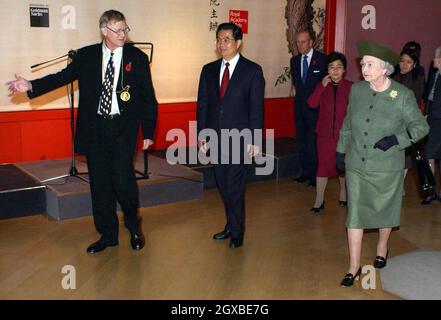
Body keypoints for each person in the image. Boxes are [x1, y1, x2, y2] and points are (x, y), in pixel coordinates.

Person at [7, 10, 158, 254]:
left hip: (123, 129)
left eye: (125, 29)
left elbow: (148, 98)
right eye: (118, 30)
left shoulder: (137, 57)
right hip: (95, 129)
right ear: (104, 31)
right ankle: (107, 235)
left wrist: (149, 131)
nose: (123, 34)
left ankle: (133, 225)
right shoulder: (87, 56)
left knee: (123, 180)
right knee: (99, 185)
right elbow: (62, 77)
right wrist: (31, 85)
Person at [336, 40, 429, 287]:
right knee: (354, 214)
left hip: (387, 167)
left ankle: (382, 246)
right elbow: (347, 124)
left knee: (384, 210)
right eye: (363, 63)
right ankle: (353, 266)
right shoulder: (357, 90)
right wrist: (341, 151)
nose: (364, 69)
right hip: (356, 164)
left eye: (369, 64)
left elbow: (421, 127)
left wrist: (397, 140)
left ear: (385, 68)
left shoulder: (402, 95)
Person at [196, 23, 264, 249]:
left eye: (226, 39)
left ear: (238, 42)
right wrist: (202, 134)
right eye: (219, 39)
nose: (221, 44)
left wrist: (255, 140)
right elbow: (203, 105)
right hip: (214, 138)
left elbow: (256, 108)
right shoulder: (208, 69)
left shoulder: (252, 70)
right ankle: (230, 224)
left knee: (235, 187)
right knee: (223, 185)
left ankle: (237, 231)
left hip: (240, 139)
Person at [307, 52, 353, 213]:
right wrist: (321, 86)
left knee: (342, 166)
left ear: (344, 70)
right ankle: (319, 200)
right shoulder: (322, 85)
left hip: (345, 135)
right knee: (323, 167)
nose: (335, 71)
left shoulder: (351, 87)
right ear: (327, 69)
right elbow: (311, 104)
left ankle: (344, 195)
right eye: (331, 67)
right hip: (324, 134)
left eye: (339, 67)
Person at [290, 30, 327, 187]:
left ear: (311, 42)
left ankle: (314, 175)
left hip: (316, 108)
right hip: (299, 107)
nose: (300, 45)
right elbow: (298, 84)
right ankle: (304, 172)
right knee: (301, 140)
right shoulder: (294, 61)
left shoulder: (322, 60)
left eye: (303, 42)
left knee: (313, 142)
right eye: (298, 42)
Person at [391, 47, 426, 197]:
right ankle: (398, 186)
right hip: (393, 121)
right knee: (395, 154)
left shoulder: (417, 80)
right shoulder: (394, 77)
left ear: (415, 64)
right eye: (402, 61)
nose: (404, 65)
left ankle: (399, 185)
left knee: (405, 155)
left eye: (409, 62)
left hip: (408, 121)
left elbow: (414, 100)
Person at [421, 46, 441, 203]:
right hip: (432, 120)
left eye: (436, 57)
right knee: (428, 155)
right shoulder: (435, 74)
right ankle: (430, 190)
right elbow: (429, 97)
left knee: (431, 154)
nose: (433, 59)